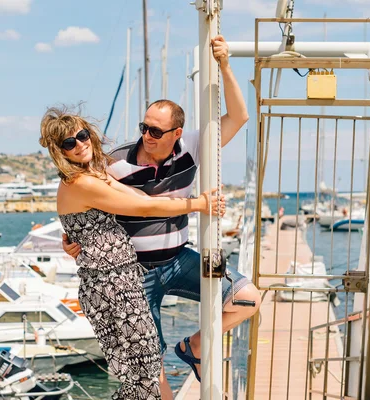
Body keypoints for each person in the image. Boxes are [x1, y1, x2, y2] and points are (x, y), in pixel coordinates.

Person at [62, 35, 262, 397]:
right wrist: (73, 240)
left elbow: (239, 115)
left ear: (177, 133)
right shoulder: (116, 163)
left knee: (247, 297)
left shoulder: (194, 148)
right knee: (151, 370)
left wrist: (226, 66)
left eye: (156, 131)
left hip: (179, 259)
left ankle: (194, 347)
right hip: (135, 275)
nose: (147, 136)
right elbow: (82, 200)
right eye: (144, 128)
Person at [39, 107, 225, 400]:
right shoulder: (82, 183)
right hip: (109, 286)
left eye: (82, 135)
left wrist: (184, 201)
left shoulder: (94, 174)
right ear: (59, 151)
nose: (79, 144)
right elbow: (143, 209)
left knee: (144, 370)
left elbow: (140, 197)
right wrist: (197, 205)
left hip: (122, 280)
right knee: (143, 374)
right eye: (68, 143)